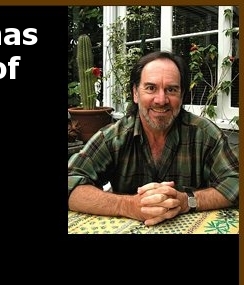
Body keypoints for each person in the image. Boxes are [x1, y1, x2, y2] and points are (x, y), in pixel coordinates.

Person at [68, 50, 239, 226]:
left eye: (171, 89)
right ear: (135, 93)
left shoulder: (205, 134)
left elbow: (236, 181)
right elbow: (71, 180)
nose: (161, 100)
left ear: (181, 96)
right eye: (151, 88)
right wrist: (127, 206)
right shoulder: (114, 137)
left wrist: (187, 201)